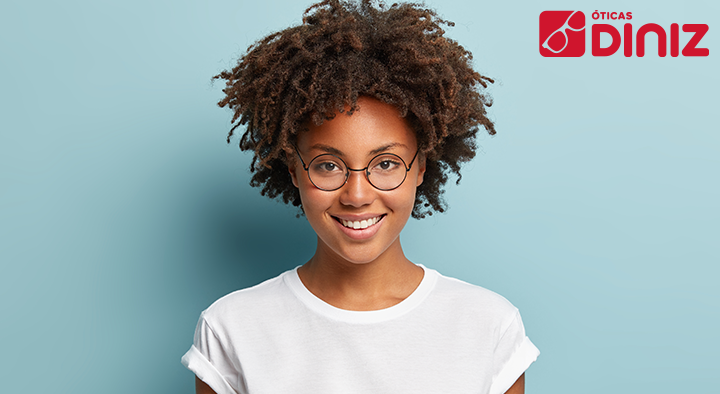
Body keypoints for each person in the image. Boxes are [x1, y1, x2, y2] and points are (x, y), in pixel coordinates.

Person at [181, 1, 539, 393]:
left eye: (385, 163)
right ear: (294, 170)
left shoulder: (488, 325)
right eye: (328, 166)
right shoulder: (232, 329)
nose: (357, 195)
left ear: (420, 166)